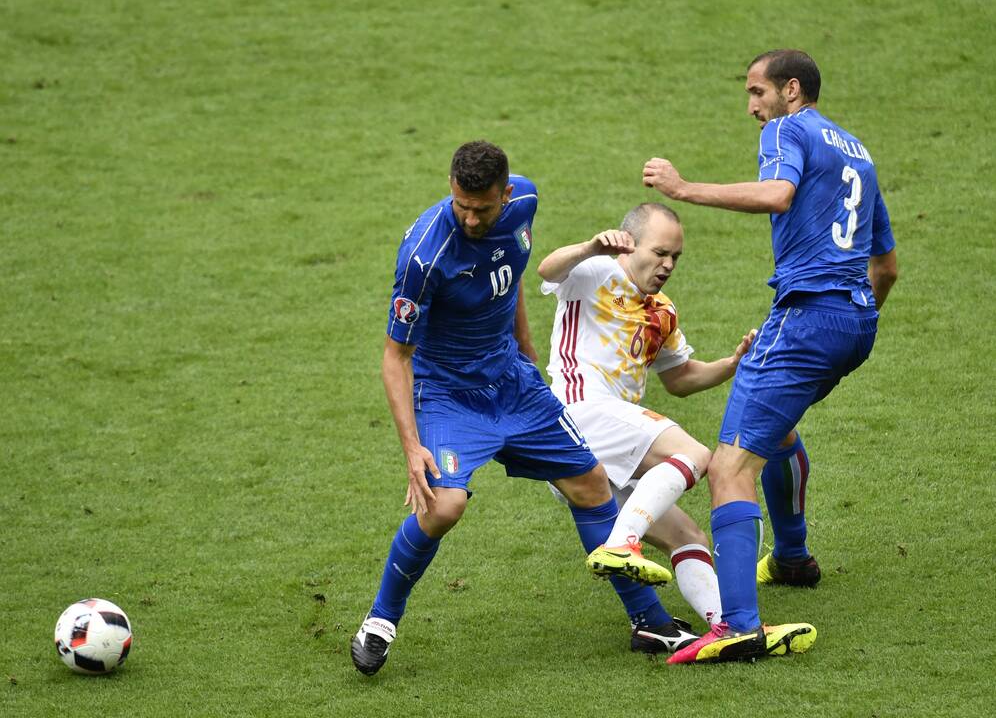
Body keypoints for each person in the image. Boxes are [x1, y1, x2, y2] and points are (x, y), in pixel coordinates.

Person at [351, 140, 671, 676]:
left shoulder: (525, 201)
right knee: (444, 507)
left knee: (591, 486)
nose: (472, 219)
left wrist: (525, 351)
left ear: (505, 193)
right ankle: (381, 619)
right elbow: (394, 356)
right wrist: (412, 447)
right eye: (461, 206)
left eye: (482, 208)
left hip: (513, 384)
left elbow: (512, 274)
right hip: (450, 394)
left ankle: (648, 621)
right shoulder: (424, 256)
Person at [642, 49, 898, 664]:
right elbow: (886, 264)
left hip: (808, 318)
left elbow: (779, 193)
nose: (752, 106)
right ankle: (790, 557)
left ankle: (738, 628)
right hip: (856, 321)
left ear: (790, 89)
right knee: (773, 432)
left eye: (758, 91)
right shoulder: (857, 150)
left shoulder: (788, 129)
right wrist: (854, 317)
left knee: (729, 467)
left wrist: (681, 189)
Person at [537, 203, 758, 652]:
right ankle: (623, 543)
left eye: (676, 257)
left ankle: (728, 631)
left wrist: (732, 364)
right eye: (660, 253)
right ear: (630, 241)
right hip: (578, 414)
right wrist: (589, 245)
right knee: (696, 455)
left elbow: (680, 379)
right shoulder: (593, 270)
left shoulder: (662, 311)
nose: (668, 265)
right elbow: (547, 267)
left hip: (607, 440)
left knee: (688, 536)